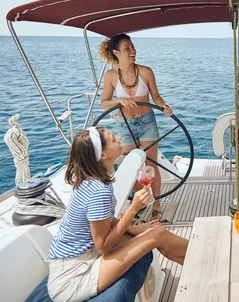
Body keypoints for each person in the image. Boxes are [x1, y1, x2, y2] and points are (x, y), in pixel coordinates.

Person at [47, 127, 188, 302]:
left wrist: (134, 229)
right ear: (103, 155)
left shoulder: (90, 181)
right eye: (113, 140)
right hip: (72, 277)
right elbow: (103, 246)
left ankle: (197, 265)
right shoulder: (98, 191)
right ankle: (199, 253)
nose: (119, 138)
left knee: (154, 230)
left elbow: (104, 219)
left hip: (83, 257)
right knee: (156, 234)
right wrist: (133, 209)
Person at [99, 33, 172, 220]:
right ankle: (140, 201)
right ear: (116, 52)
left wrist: (163, 106)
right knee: (130, 167)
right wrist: (120, 100)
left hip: (147, 122)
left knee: (151, 165)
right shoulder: (111, 76)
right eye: (127, 49)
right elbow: (104, 103)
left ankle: (156, 204)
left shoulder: (146, 72)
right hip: (124, 126)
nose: (133, 51)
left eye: (133, 47)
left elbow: (156, 98)